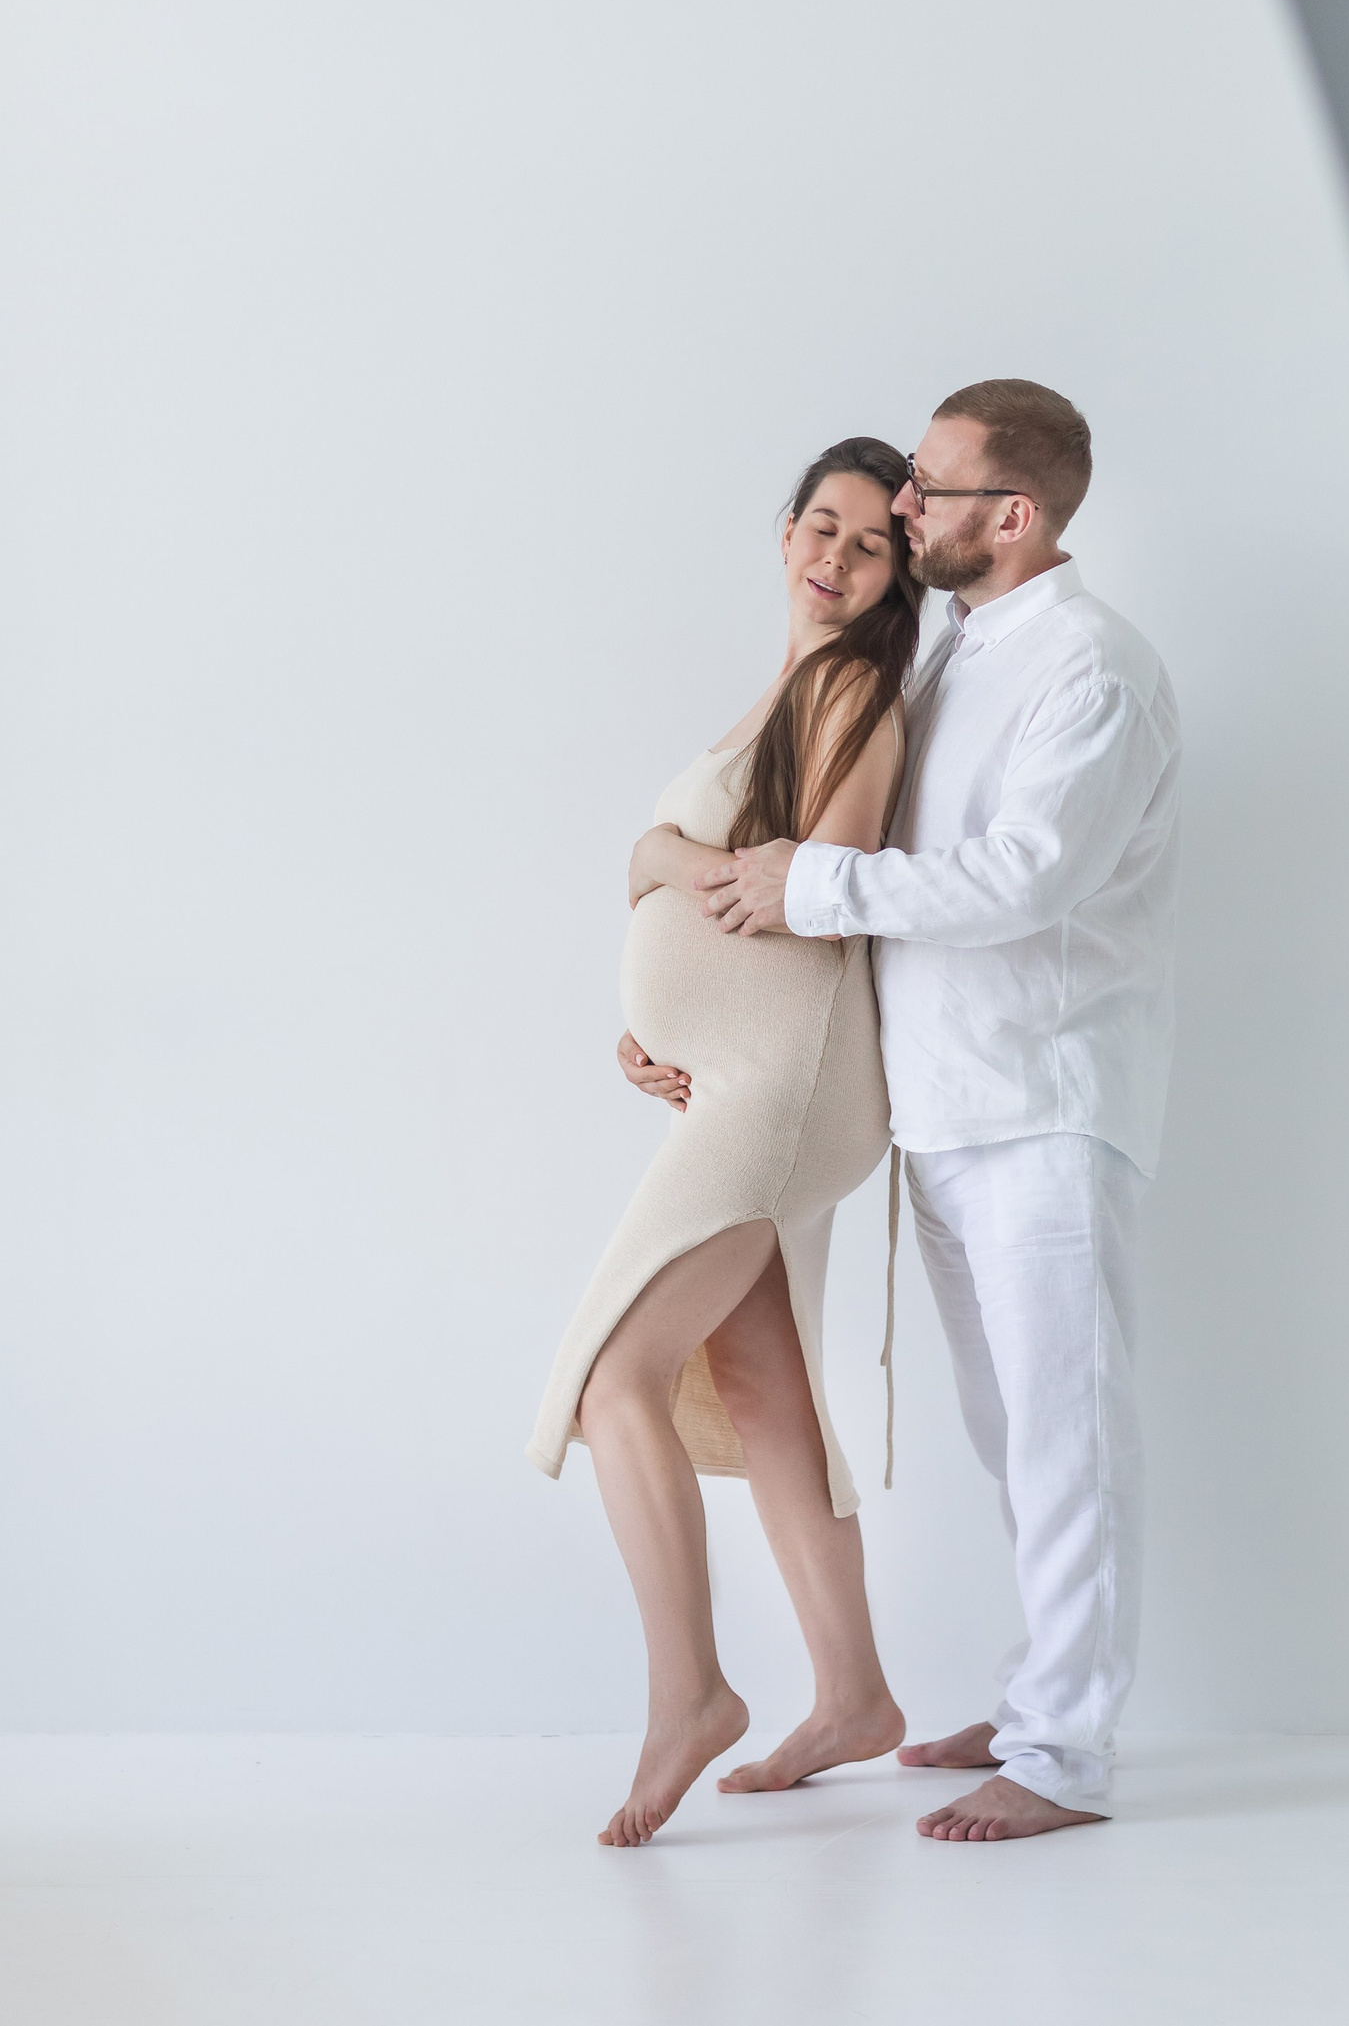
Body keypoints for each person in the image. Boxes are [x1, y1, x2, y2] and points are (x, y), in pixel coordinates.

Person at [701, 379, 1180, 1843]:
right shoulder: (956, 654)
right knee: (1011, 1431)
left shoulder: (1092, 668)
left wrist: (811, 882)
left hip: (1043, 1107)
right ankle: (1043, 1696)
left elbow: (1026, 877)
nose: (905, 508)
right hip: (951, 1109)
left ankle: (1065, 1752)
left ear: (1013, 514)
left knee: (1067, 1435)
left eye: (930, 486)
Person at [526, 437, 923, 1847]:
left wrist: (663, 864)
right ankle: (855, 1693)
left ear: (898, 576)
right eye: (821, 525)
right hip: (742, 1079)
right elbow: (708, 889)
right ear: (785, 532)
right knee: (760, 1382)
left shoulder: (855, 691)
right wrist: (659, 1022)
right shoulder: (788, 687)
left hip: (784, 1088)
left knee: (614, 1376)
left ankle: (691, 1692)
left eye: (869, 544)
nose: (835, 556)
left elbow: (813, 889)